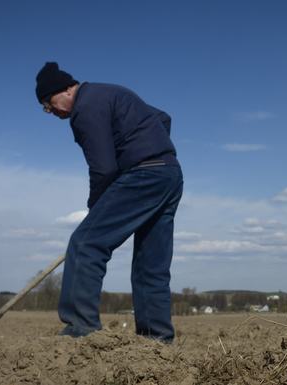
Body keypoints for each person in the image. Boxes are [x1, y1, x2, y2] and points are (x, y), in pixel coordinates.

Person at [35, 62, 183, 342]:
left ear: (66, 89)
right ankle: (157, 340)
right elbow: (163, 119)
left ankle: (81, 329)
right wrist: (148, 145)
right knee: (150, 263)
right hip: (169, 174)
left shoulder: (85, 108)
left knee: (86, 243)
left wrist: (96, 208)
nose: (50, 111)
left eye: (47, 103)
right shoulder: (110, 94)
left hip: (143, 175)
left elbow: (103, 168)